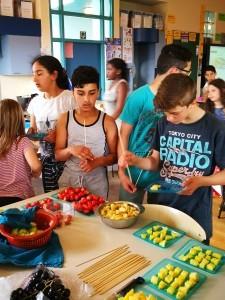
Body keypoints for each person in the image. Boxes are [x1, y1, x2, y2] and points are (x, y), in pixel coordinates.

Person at [119, 74, 225, 243]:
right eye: (165, 113)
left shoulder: (216, 128)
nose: (169, 118)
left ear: (192, 103)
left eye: (174, 113)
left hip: (194, 210)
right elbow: (155, 163)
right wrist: (135, 160)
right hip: (161, 205)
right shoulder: (163, 123)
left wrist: (202, 181)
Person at [118, 43, 192, 204]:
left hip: (164, 175)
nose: (189, 77)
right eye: (188, 72)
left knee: (158, 220)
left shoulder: (180, 101)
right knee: (127, 217)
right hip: (134, 171)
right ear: (174, 71)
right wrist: (122, 172)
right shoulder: (138, 97)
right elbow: (123, 135)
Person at [55, 66, 118, 199]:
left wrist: (97, 162)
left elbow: (114, 157)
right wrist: (71, 150)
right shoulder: (64, 118)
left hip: (97, 181)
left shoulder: (107, 122)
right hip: (69, 180)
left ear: (98, 92)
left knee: (95, 217)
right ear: (73, 92)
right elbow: (58, 155)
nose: (86, 100)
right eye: (80, 93)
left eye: (92, 93)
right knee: (68, 217)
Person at [27, 55, 75, 192]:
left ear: (54, 75)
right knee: (51, 200)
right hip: (46, 160)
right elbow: (33, 132)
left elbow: (81, 130)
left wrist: (60, 137)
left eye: (39, 73)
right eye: (33, 74)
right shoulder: (35, 102)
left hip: (68, 160)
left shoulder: (69, 98)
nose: (34, 79)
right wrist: (34, 135)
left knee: (70, 200)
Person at [0, 99, 42, 206]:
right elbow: (36, 166)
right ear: (19, 119)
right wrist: (34, 173)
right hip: (19, 197)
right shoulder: (23, 141)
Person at [103, 58, 129, 127]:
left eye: (110, 69)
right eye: (107, 69)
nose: (107, 72)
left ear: (118, 71)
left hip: (117, 122)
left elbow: (119, 109)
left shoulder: (122, 85)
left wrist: (108, 123)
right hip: (109, 120)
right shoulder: (111, 83)